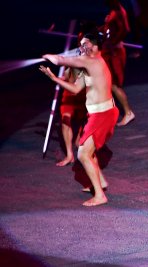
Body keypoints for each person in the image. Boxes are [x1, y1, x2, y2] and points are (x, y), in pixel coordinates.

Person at [39, 33, 119, 206]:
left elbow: (60, 60)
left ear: (92, 44)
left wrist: (47, 56)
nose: (80, 48)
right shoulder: (89, 64)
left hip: (102, 115)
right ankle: (101, 182)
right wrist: (53, 78)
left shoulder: (92, 61)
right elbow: (75, 89)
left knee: (82, 154)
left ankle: (100, 195)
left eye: (83, 44)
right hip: (98, 114)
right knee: (86, 149)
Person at [100, 0, 135, 126]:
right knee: (108, 83)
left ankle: (128, 112)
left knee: (114, 84)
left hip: (115, 52)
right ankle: (109, 112)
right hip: (111, 51)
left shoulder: (119, 12)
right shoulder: (114, 11)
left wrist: (113, 43)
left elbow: (125, 29)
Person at [56, 67, 86, 166]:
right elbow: (67, 76)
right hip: (69, 96)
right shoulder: (69, 62)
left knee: (82, 123)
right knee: (65, 120)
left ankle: (79, 140)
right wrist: (61, 78)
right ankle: (69, 155)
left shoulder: (88, 59)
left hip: (83, 95)